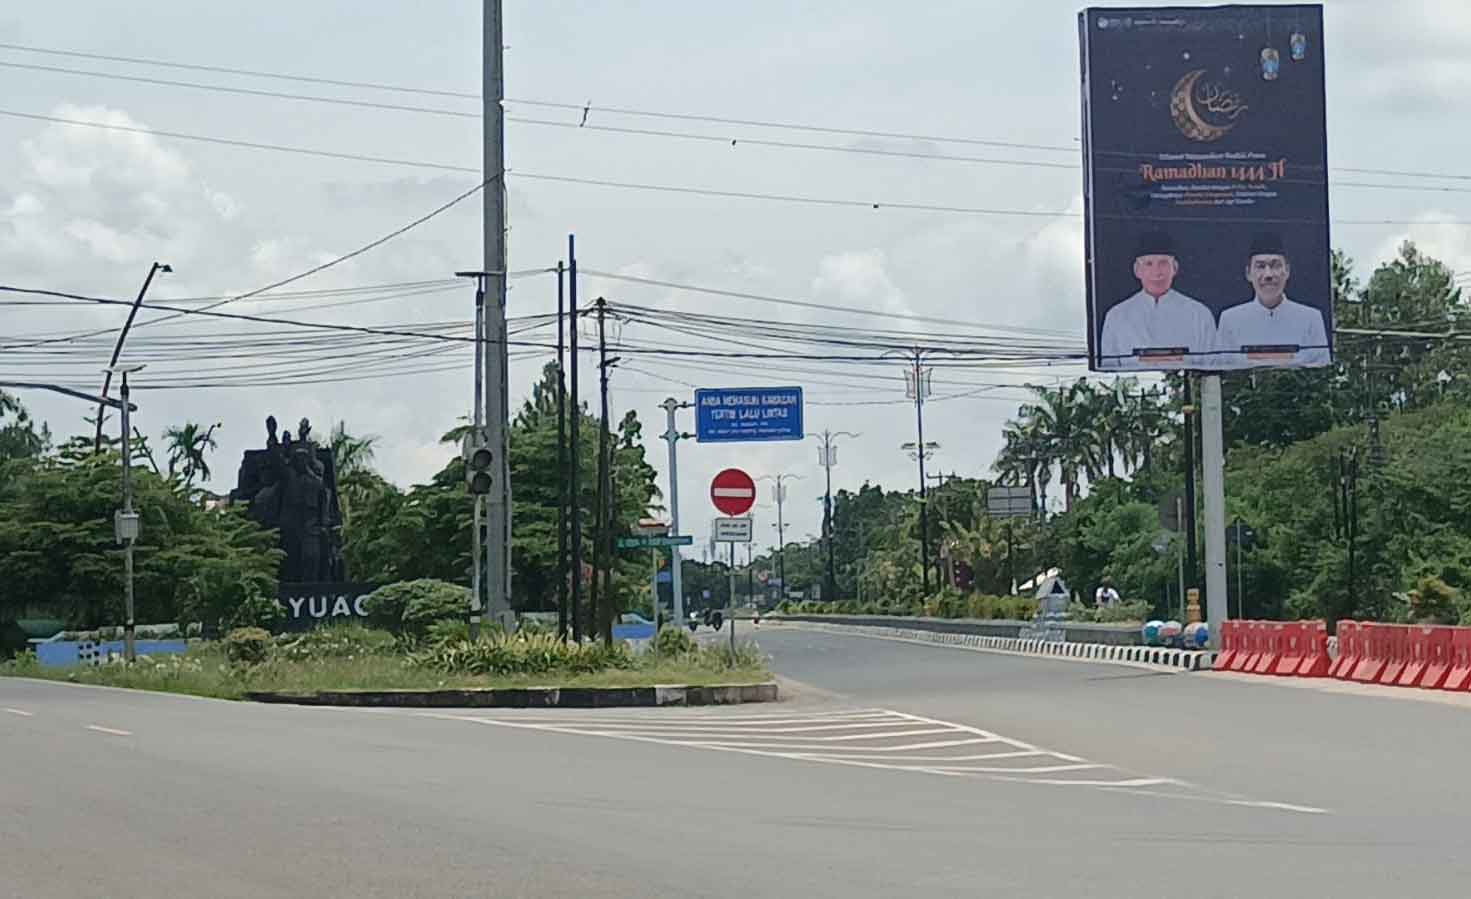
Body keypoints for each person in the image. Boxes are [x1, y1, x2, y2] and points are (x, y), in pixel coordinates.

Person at [1098, 231, 1218, 369]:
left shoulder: (1199, 314)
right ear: (1137, 270)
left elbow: (1211, 367)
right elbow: (1109, 370)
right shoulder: (1117, 316)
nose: (1157, 272)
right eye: (1149, 264)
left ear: (1175, 268)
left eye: (1163, 263)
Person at [1216, 232, 1330, 367]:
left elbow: (1321, 371)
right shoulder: (1230, 319)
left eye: (1275, 265)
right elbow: (1223, 371)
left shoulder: (1311, 318)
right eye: (1260, 266)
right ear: (1248, 274)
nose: (1268, 274)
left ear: (1287, 271)